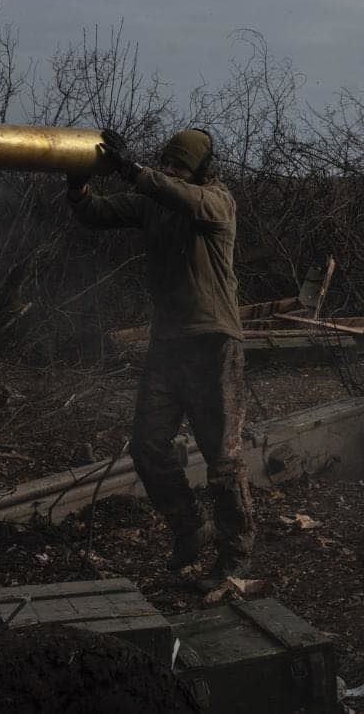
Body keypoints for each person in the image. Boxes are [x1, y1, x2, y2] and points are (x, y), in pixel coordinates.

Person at [67, 128, 255, 583]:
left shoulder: (217, 202)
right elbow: (94, 213)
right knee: (148, 447)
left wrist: (136, 172)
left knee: (223, 462)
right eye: (166, 164)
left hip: (215, 345)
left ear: (200, 172)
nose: (170, 171)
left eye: (180, 167)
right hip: (168, 345)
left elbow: (185, 199)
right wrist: (78, 180)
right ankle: (191, 528)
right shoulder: (153, 202)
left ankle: (236, 555)